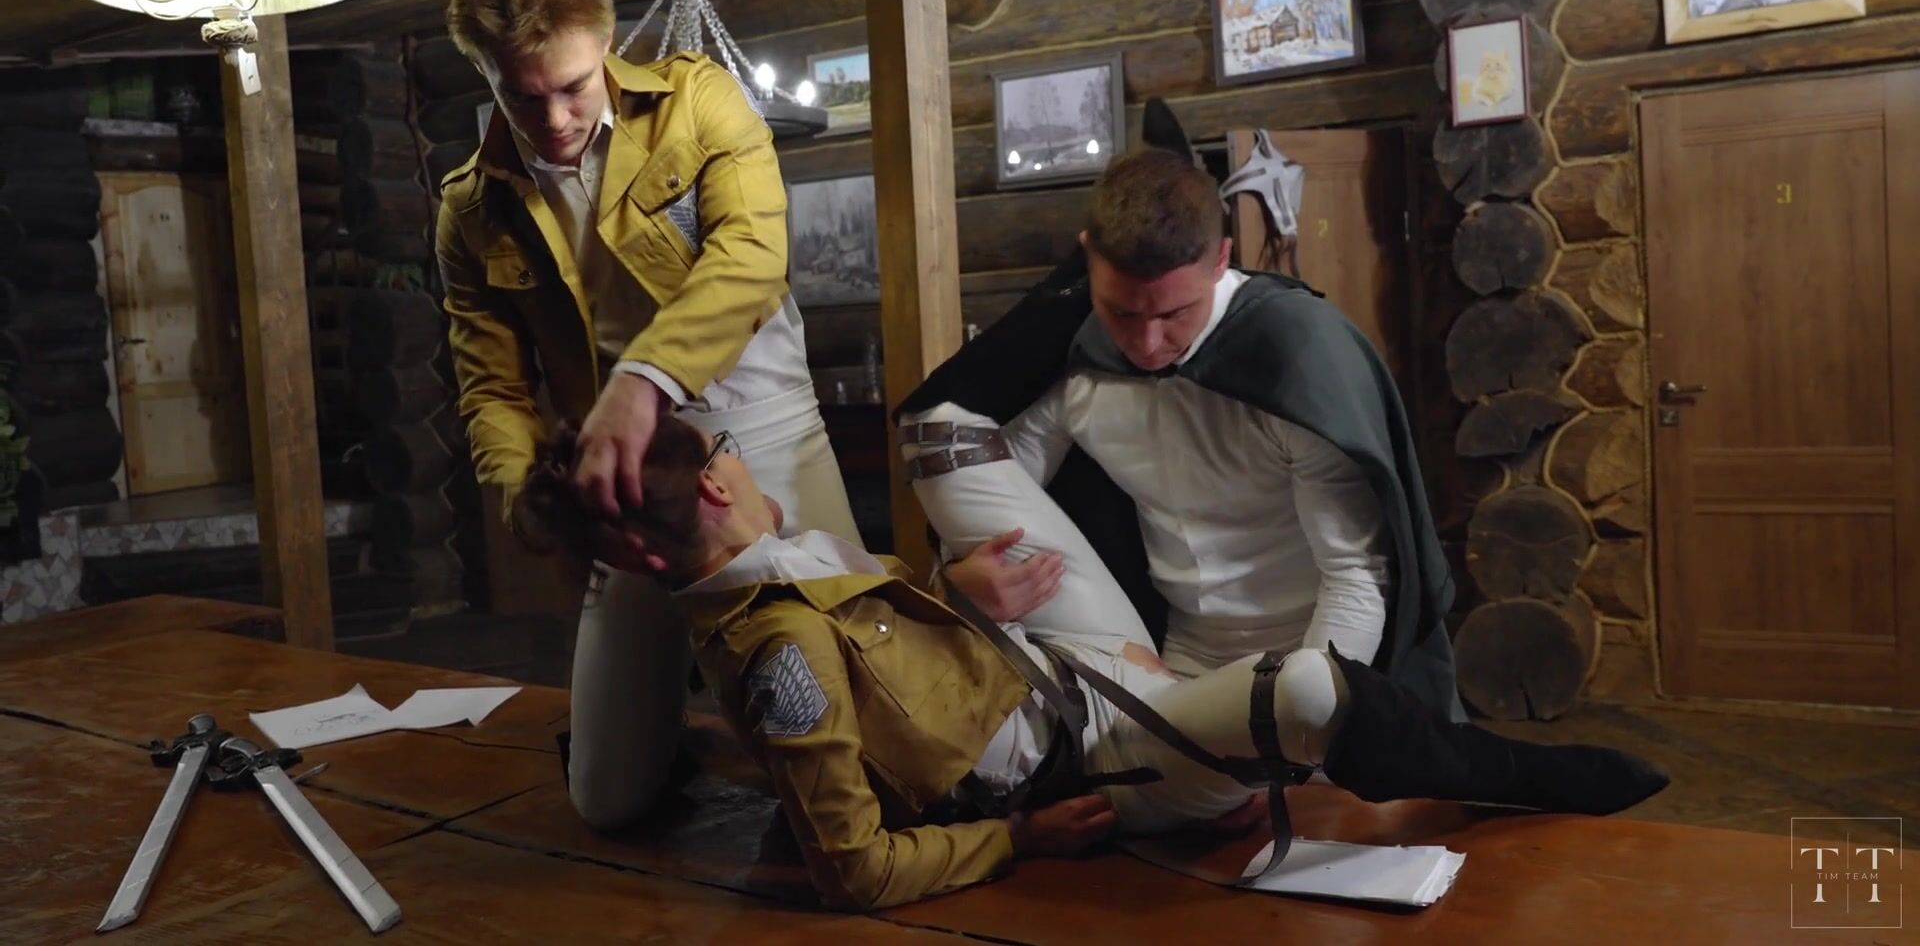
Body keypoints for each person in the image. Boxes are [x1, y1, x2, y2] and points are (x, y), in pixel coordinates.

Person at [519, 418, 1669, 912]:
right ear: (712, 487)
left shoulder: (780, 562)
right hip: (1076, 765)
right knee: (1312, 691)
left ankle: (1199, 713)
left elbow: (897, 661)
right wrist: (1017, 841)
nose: (737, 455)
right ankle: (1514, 771)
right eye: (724, 448)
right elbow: (853, 870)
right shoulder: (777, 652)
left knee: (949, 438)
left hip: (1054, 672)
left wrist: (958, 595)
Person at [435, 0, 859, 831]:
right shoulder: (468, 209)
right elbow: (492, 390)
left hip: (767, 429)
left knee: (862, 739)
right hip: (624, 474)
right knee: (609, 799)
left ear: (605, 41)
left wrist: (642, 382)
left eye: (572, 86)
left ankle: (763, 743)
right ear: (485, 74)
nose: (554, 119)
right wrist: (533, 502)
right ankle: (703, 742)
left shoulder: (701, 101)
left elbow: (752, 257)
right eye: (522, 95)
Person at [898, 99, 1462, 717]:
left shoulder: (1296, 357)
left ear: (1220, 261)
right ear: (1087, 259)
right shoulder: (1083, 369)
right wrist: (955, 583)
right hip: (1171, 660)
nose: (1146, 344)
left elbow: (1356, 575)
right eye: (1121, 311)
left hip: (1314, 653)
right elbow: (998, 491)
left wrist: (1299, 725)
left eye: (1175, 313)